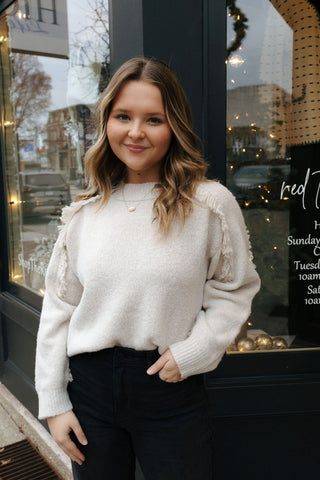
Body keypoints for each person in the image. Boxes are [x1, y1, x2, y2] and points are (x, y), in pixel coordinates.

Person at [35, 57, 260, 480]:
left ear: (173, 126)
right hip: (90, 392)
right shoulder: (85, 212)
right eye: (123, 116)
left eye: (153, 119)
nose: (136, 132)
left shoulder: (208, 204)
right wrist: (53, 403)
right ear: (107, 123)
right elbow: (59, 309)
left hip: (169, 388)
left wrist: (195, 351)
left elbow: (235, 290)